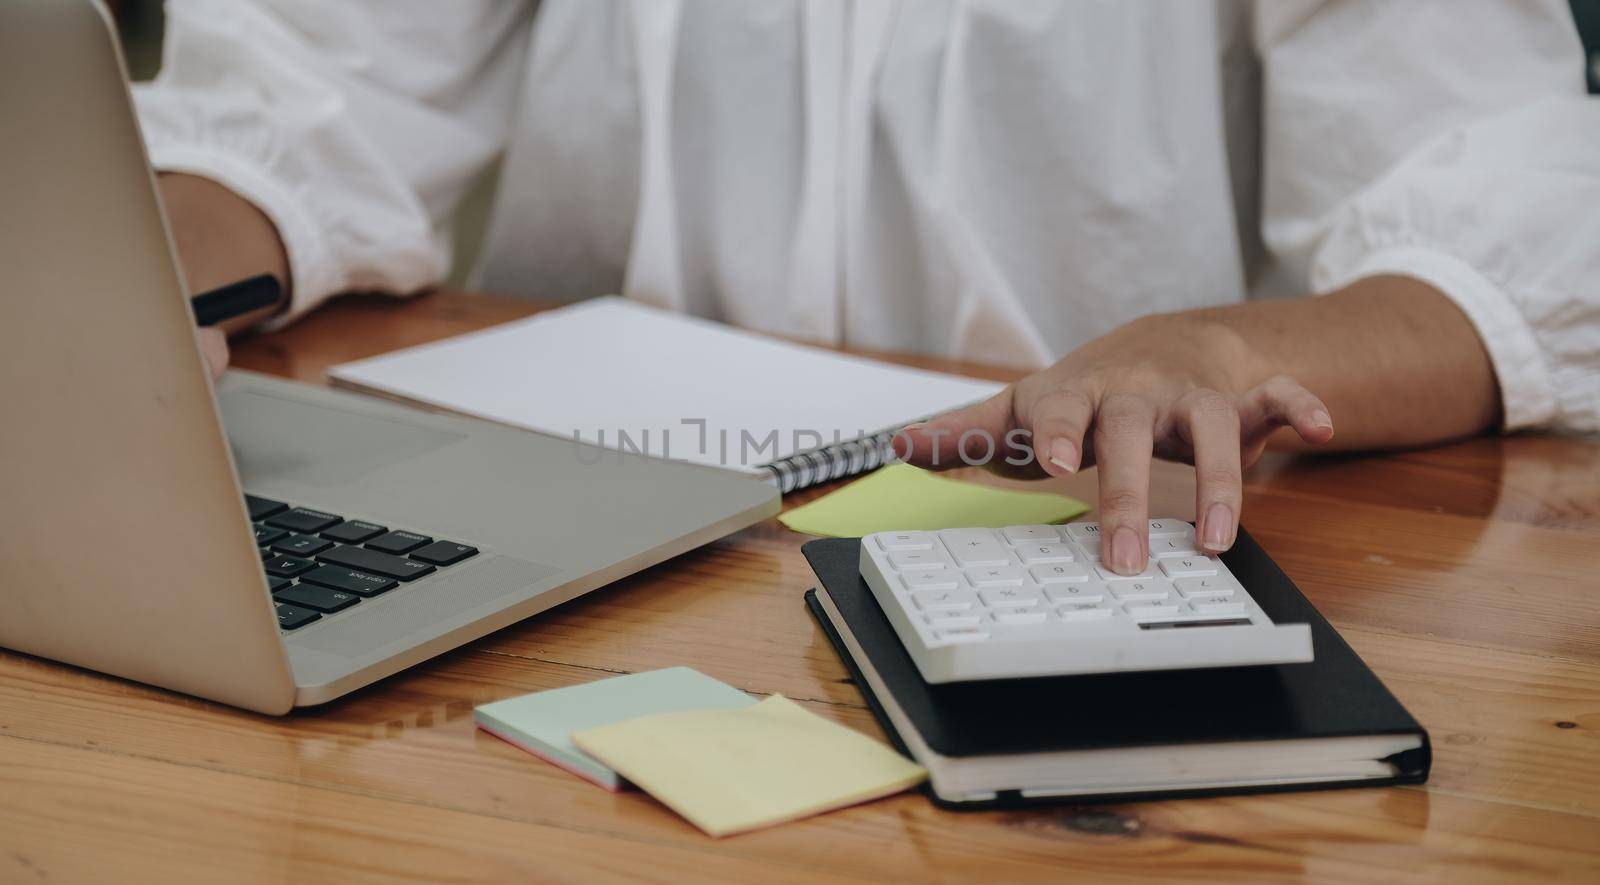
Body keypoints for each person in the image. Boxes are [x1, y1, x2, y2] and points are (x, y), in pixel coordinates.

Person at [139, 0, 1599, 576]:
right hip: (590, 545)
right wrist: (133, 269)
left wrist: (1209, 343)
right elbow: (314, 81)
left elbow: (1516, 228)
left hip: (1068, 538)